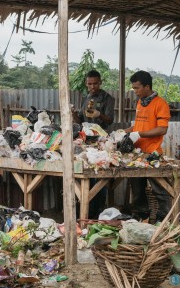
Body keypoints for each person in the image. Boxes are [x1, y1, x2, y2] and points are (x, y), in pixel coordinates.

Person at [124, 70, 172, 222]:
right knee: (137, 189)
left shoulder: (161, 104)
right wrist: (124, 132)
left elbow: (162, 129)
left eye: (137, 88)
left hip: (153, 154)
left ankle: (164, 219)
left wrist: (140, 134)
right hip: (137, 153)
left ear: (147, 86)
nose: (135, 91)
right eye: (133, 88)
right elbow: (139, 126)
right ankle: (142, 217)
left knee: (159, 189)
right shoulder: (140, 103)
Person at [72, 70, 115, 218]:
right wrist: (73, 114)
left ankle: (98, 213)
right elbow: (81, 122)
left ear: (100, 82)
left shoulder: (108, 98)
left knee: (99, 176)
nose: (92, 86)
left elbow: (110, 120)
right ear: (86, 83)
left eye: (95, 83)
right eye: (89, 84)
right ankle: (86, 212)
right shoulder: (86, 98)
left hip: (101, 143)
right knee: (84, 176)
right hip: (85, 142)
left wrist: (99, 114)